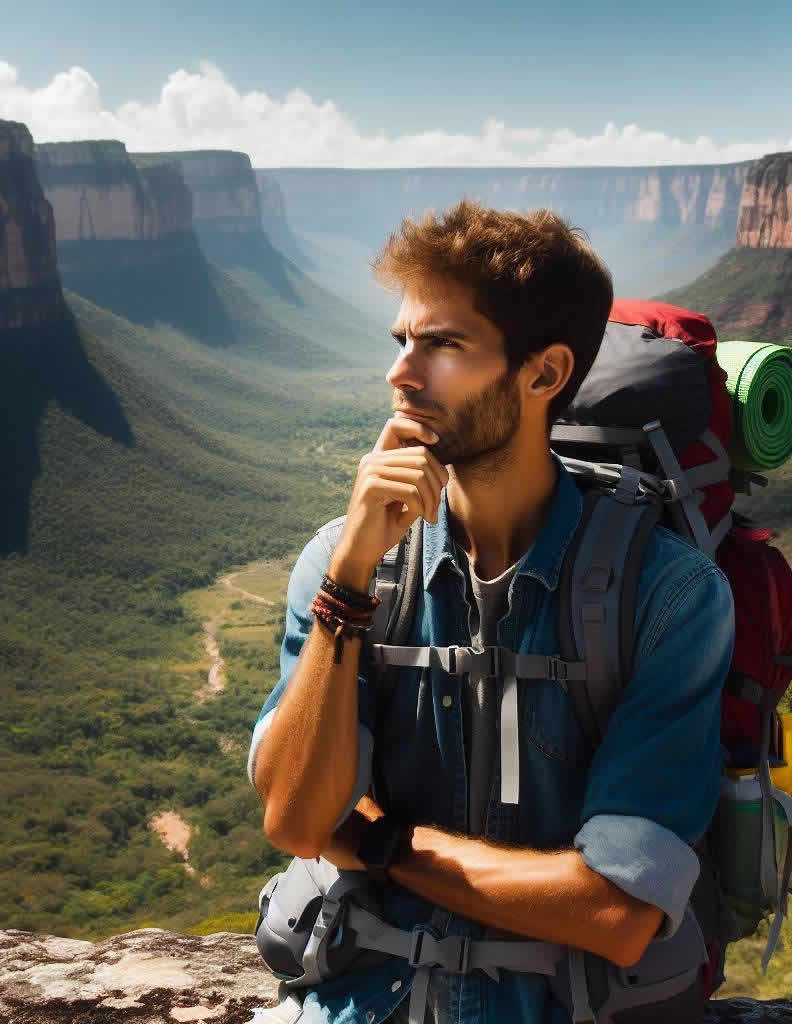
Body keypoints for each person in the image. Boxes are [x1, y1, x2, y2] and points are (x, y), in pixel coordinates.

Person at [247, 200, 736, 1024]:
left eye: (442, 345)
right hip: (370, 1002)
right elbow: (297, 821)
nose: (402, 374)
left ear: (543, 374)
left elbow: (615, 911)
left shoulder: (667, 594)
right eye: (402, 341)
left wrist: (381, 842)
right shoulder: (346, 562)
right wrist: (351, 577)